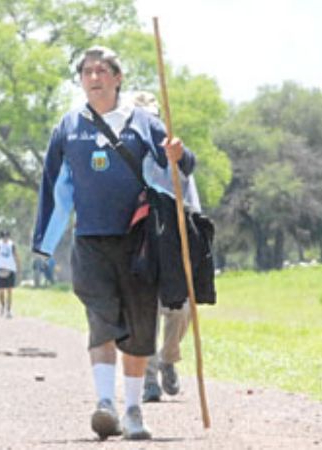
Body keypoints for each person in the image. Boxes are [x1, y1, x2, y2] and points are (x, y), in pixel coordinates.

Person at [32, 46, 195, 441]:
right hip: (90, 241)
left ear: (118, 78)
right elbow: (54, 187)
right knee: (101, 320)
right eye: (87, 71)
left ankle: (134, 410)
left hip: (140, 242)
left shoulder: (145, 123)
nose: (94, 77)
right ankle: (105, 404)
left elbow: (180, 169)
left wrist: (179, 153)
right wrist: (45, 242)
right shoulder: (69, 127)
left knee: (139, 328)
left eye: (102, 70)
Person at [130, 91, 197, 403]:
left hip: (173, 241)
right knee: (144, 311)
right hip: (139, 242)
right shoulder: (124, 155)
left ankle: (168, 358)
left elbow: (191, 201)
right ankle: (148, 379)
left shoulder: (175, 154)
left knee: (181, 309)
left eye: (152, 119)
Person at [0, 230, 20, 318]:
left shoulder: (12, 244)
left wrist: (18, 268)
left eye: (7, 236)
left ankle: (9, 310)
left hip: (10, 269)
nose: (5, 238)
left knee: (9, 291)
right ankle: (2, 306)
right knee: (1, 290)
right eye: (4, 236)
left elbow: (16, 256)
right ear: (1, 237)